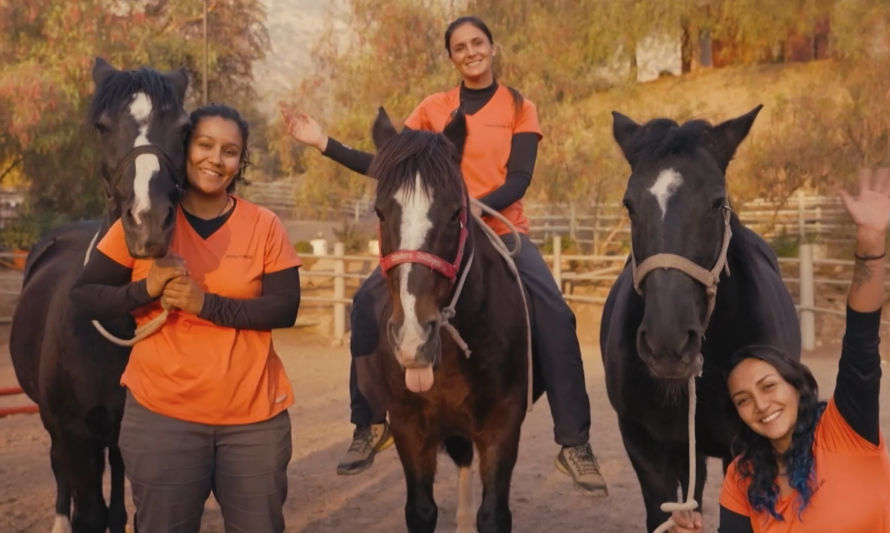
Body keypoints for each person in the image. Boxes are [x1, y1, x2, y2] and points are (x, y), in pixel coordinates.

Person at [281, 15, 607, 495]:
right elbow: (390, 164)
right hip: (434, 232)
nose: (470, 51)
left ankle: (574, 442)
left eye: (478, 42)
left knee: (556, 312)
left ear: (492, 48)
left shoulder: (520, 106)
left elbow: (519, 179)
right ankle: (368, 423)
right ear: (451, 57)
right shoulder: (434, 109)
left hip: (501, 227)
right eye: (460, 46)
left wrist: (469, 209)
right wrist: (323, 143)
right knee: (367, 301)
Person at [71, 103, 302, 533]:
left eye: (230, 151)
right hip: (163, 420)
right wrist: (145, 289)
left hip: (254, 423)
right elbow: (84, 298)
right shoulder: (141, 221)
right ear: (182, 149)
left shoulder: (265, 225)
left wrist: (204, 304)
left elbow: (284, 308)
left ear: (240, 161)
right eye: (205, 145)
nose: (216, 159)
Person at [670, 167, 890, 532]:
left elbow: (862, 339)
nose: (760, 404)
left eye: (768, 386)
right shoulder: (742, 479)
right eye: (743, 400)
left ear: (795, 384)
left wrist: (869, 241)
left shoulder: (845, 428)